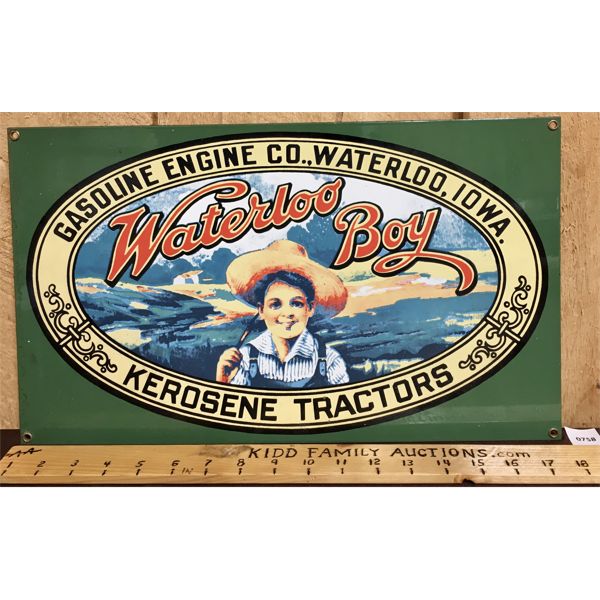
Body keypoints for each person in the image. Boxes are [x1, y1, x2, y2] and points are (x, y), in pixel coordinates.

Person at [216, 240, 349, 388]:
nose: (287, 313)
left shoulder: (329, 360)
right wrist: (223, 379)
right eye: (275, 304)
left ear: (310, 308)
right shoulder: (245, 358)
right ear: (261, 310)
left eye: (296, 303)